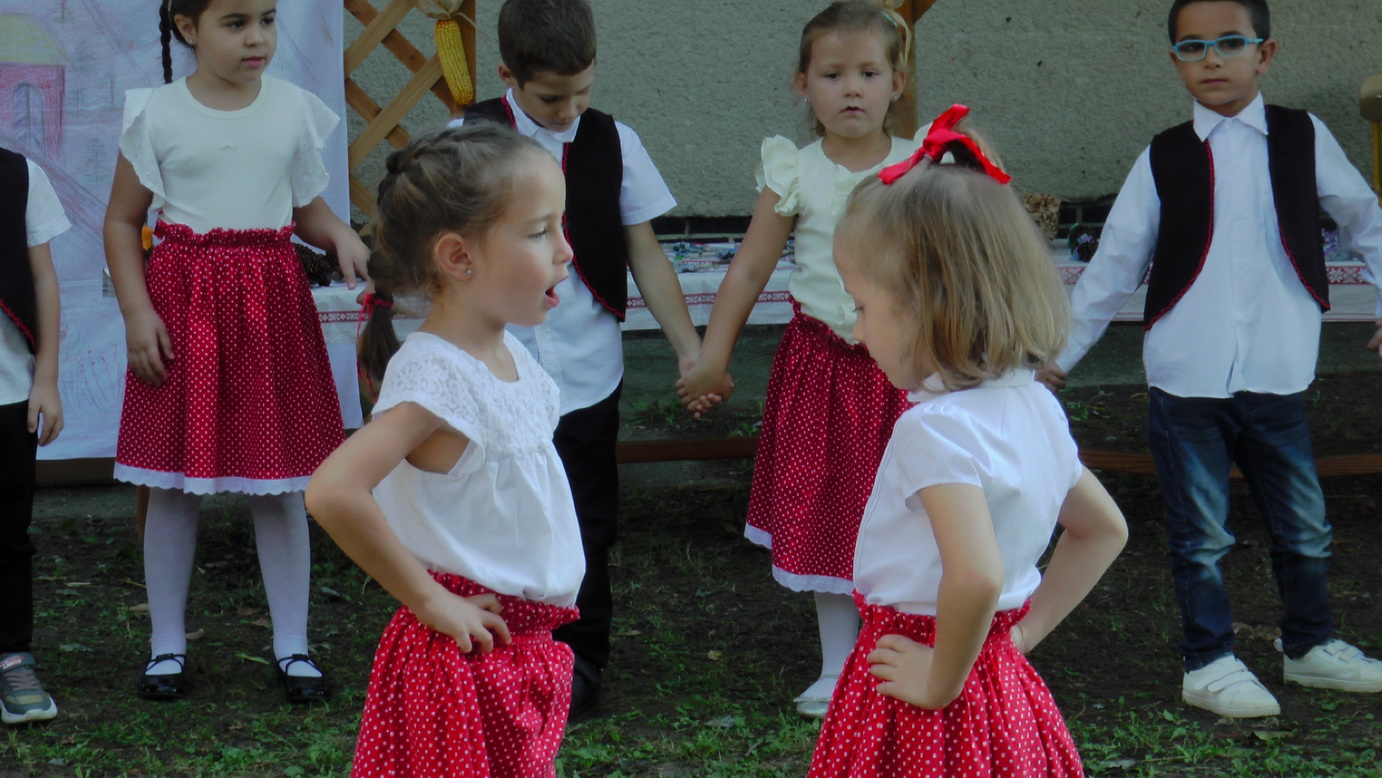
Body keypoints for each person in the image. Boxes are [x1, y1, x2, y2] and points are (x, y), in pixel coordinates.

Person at [1041, 0, 1382, 719]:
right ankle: (1209, 660)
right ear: (1175, 63)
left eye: (1230, 42)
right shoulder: (1163, 156)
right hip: (1186, 379)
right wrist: (1058, 357)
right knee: (1201, 536)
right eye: (1193, 47)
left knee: (1305, 526)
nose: (1213, 59)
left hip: (1279, 372)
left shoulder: (1303, 137)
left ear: (1266, 53)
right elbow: (1112, 266)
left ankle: (1309, 645)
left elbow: (1364, 219)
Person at [808, 110, 1128, 776]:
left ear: (926, 305)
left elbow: (976, 573)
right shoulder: (1036, 407)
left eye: (862, 306)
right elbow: (1104, 529)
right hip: (996, 683)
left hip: (923, 687)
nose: (857, 330)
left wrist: (938, 680)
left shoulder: (934, 429)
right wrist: (1024, 633)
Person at [103, 0, 368, 703]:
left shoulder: (293, 109)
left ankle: (293, 647)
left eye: (268, 20)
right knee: (170, 485)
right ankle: (166, 646)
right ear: (187, 27)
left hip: (269, 309)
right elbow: (123, 221)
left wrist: (341, 236)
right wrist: (136, 312)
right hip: (182, 309)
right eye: (236, 22)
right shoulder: (155, 113)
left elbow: (306, 208)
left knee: (279, 486)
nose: (258, 38)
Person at [674, 0, 926, 718]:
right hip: (825, 371)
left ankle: (907, 649)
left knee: (910, 508)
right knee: (830, 506)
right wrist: (712, 358)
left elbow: (950, 263)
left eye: (868, 73)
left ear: (897, 82)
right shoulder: (795, 170)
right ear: (802, 85)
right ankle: (839, 664)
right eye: (832, 74)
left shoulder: (919, 165)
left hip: (906, 372)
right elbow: (751, 269)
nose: (852, 89)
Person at [308, 123, 582, 778]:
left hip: (516, 651)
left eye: (560, 226)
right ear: (459, 257)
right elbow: (333, 490)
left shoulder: (508, 354)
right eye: (539, 232)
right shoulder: (436, 375)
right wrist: (429, 600)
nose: (565, 250)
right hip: (464, 659)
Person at [451, 0, 701, 714]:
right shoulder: (467, 141)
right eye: (551, 99)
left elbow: (644, 254)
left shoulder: (615, 142)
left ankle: (580, 661)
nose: (569, 112)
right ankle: (498, 656)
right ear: (508, 76)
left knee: (586, 517)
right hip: (493, 373)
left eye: (583, 93)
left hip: (587, 375)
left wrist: (690, 350)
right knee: (496, 515)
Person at [0, 149, 68, 725]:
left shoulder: (19, 175)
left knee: (7, 531)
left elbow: (43, 277)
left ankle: (11, 655)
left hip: (8, 390)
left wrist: (45, 377)